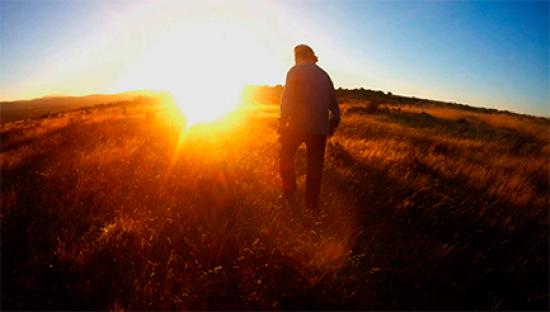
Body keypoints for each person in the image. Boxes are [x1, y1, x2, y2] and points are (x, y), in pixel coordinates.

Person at [279, 44, 340, 209]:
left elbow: (287, 99)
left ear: (298, 55)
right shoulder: (324, 75)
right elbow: (334, 104)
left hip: (296, 125)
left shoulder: (294, 71)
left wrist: (282, 121)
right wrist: (332, 124)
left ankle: (289, 193)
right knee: (315, 168)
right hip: (319, 129)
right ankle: (311, 205)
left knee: (285, 157)